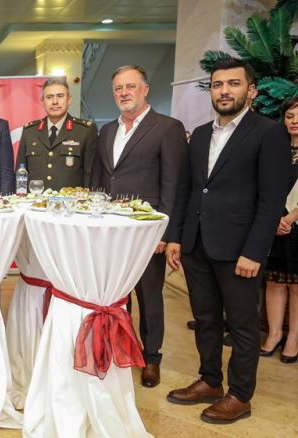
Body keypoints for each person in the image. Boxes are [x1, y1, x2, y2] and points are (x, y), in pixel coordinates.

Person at [165, 58, 291, 424]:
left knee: (241, 326)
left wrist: (254, 251)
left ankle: (240, 395)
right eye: (218, 84)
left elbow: (272, 200)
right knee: (205, 319)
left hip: (240, 250)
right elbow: (189, 189)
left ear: (251, 90)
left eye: (233, 84)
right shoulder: (201, 134)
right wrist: (176, 238)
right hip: (197, 244)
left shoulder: (268, 133)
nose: (224, 91)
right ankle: (209, 380)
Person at [90, 64, 187, 388]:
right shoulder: (107, 130)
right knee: (116, 293)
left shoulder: (167, 128)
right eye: (118, 88)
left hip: (147, 232)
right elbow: (100, 179)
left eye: (130, 86)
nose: (124, 93)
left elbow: (173, 184)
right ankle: (122, 348)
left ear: (145, 89)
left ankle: (151, 357)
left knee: (149, 297)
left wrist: (165, 232)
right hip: (110, 230)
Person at [259, 96, 298, 363]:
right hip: (274, 224)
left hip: (296, 225)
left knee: (296, 286)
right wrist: (275, 219)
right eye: (290, 116)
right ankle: (274, 334)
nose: (294, 121)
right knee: (274, 281)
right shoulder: (276, 148)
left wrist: (291, 217)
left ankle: (293, 338)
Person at [16, 77, 97, 189]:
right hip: (36, 199)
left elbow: (91, 175)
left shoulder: (85, 131)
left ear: (69, 99)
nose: (55, 102)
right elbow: (20, 174)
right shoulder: (29, 131)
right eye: (49, 97)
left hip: (71, 199)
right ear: (42, 102)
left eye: (60, 96)